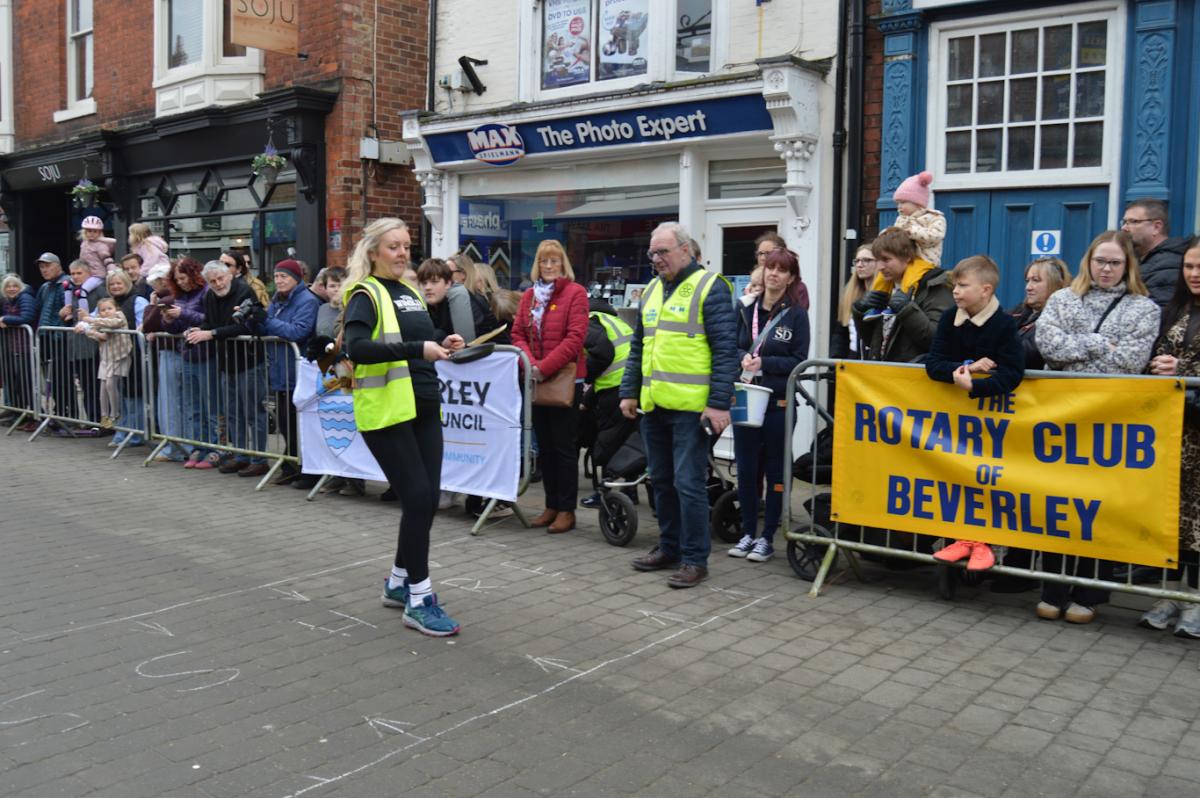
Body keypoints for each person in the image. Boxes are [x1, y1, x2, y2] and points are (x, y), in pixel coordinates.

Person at [342, 217, 463, 636]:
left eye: (407, 245)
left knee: (426, 499)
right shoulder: (365, 294)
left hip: (424, 405)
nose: (402, 253)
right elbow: (355, 347)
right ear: (374, 251)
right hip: (388, 412)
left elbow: (418, 336)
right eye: (393, 246)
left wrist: (443, 340)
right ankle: (419, 598)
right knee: (416, 498)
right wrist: (419, 347)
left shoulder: (410, 291)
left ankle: (397, 582)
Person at [1035, 230, 1161, 623]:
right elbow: (1048, 346)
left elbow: (1130, 362)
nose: (1105, 269)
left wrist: (1078, 348)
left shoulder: (1144, 309)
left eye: (1114, 263)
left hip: (1111, 423)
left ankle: (1089, 593)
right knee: (1059, 502)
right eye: (1099, 261)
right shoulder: (1062, 299)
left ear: (1128, 266)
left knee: (1099, 507)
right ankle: (1052, 588)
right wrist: (1097, 344)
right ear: (1088, 260)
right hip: (1064, 420)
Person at [620, 222, 737, 588]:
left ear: (686, 250)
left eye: (663, 252)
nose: (656, 259)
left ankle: (694, 559)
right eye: (652, 253)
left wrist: (718, 405)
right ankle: (668, 547)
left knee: (688, 485)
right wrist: (629, 391)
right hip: (655, 406)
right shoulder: (652, 290)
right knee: (661, 481)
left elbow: (725, 352)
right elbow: (639, 345)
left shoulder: (710, 288)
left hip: (691, 409)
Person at [924, 256, 1026, 571]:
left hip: (993, 422)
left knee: (986, 482)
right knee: (955, 480)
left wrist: (976, 388)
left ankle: (984, 544)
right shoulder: (949, 318)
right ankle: (959, 540)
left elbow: (1012, 373)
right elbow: (934, 363)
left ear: (986, 289)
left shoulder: (1005, 324)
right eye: (955, 284)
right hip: (953, 418)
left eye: (962, 285)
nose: (955, 291)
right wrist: (965, 367)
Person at [727, 248, 810, 564]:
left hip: (777, 400)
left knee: (775, 468)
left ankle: (767, 537)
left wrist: (765, 363)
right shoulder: (745, 308)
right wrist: (742, 358)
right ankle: (748, 532)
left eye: (781, 270)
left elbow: (799, 360)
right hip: (746, 397)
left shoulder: (797, 314)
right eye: (770, 268)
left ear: (790, 278)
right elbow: (731, 346)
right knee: (747, 468)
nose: (773, 274)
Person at [512, 240, 590, 534]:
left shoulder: (576, 294)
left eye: (554, 261)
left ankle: (567, 510)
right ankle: (551, 505)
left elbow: (575, 339)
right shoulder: (529, 296)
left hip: (566, 381)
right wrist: (530, 364)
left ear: (563, 264)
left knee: (564, 447)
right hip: (535, 379)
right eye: (544, 261)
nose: (548, 266)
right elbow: (517, 333)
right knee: (544, 447)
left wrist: (543, 368)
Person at [1143, 238, 1200, 638]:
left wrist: (1184, 367)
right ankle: (1169, 595)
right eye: (1189, 267)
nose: (1194, 275)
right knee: (1173, 517)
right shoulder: (1177, 309)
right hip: (1175, 431)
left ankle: (1195, 601)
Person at [185, 260, 265, 476]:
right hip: (226, 362)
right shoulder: (210, 295)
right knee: (232, 413)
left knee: (252, 411)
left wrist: (210, 334)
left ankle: (259, 457)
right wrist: (196, 331)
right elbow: (210, 323)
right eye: (212, 281)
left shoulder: (244, 291)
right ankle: (240, 454)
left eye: (221, 278)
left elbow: (243, 325)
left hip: (248, 360)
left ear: (230, 275)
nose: (218, 284)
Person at [249, 259, 320, 489]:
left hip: (297, 370)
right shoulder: (277, 301)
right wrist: (254, 321)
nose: (279, 280)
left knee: (299, 423)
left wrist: (267, 321)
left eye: (284, 276)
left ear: (297, 278)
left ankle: (306, 469)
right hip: (280, 370)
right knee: (285, 422)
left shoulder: (306, 301)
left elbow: (298, 331)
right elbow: (268, 328)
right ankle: (290, 465)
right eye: (277, 276)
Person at [852, 227, 954, 363]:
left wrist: (907, 310)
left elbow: (938, 341)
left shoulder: (934, 285)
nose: (880, 267)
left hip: (914, 378)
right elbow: (872, 342)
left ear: (907, 257)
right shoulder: (886, 286)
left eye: (886, 259)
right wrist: (860, 312)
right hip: (884, 376)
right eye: (878, 260)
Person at [578, 296, 639, 509]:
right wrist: (588, 399)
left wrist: (584, 376)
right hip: (633, 386)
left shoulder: (590, 321)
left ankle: (603, 492)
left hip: (615, 389)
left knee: (606, 442)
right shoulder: (615, 321)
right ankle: (630, 490)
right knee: (629, 441)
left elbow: (603, 355)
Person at [863, 172, 946, 320]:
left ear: (918, 202)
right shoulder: (901, 220)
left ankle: (902, 301)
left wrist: (912, 232)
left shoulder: (934, 217)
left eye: (903, 202)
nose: (899, 207)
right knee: (882, 277)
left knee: (910, 277)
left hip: (924, 260)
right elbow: (895, 236)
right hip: (908, 258)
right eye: (898, 203)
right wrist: (886, 234)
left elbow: (936, 236)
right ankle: (877, 302)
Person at [161, 258, 212, 467]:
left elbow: (208, 319)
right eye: (177, 279)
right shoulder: (180, 295)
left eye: (183, 278)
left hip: (207, 355)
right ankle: (198, 447)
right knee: (193, 407)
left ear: (193, 275)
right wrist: (169, 320)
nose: (180, 282)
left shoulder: (206, 292)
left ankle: (213, 448)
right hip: (187, 354)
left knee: (209, 406)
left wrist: (182, 313)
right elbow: (175, 329)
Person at [104, 268, 150, 446]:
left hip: (134, 355)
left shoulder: (138, 301)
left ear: (127, 283)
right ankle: (123, 430)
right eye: (112, 284)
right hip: (115, 356)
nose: (115, 287)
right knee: (120, 394)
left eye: (118, 283)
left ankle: (135, 433)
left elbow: (142, 326)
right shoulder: (108, 302)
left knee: (134, 394)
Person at [77, 297, 134, 431]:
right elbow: (98, 334)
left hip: (120, 356)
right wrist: (83, 328)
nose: (107, 312)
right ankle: (104, 415)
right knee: (103, 387)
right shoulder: (100, 320)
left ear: (116, 309)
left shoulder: (119, 316)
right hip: (106, 357)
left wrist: (90, 321)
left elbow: (113, 324)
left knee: (110, 383)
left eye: (109, 308)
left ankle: (115, 414)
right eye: (103, 310)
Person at [1121, 199, 1190, 307]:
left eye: (1133, 222)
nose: (1124, 228)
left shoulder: (1169, 264)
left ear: (1156, 227)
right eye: (1124, 222)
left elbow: (1160, 314)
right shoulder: (1135, 260)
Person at [1009, 257, 1071, 370]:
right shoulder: (1018, 311)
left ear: (1057, 284)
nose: (1028, 287)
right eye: (1028, 281)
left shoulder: (1062, 318)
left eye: (1036, 280)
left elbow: (1028, 354)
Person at [0, 273, 37, 421]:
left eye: (15, 285)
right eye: (8, 286)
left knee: (26, 383)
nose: (11, 288)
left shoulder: (25, 297)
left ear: (20, 286)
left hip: (25, 347)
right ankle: (19, 413)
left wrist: (5, 319)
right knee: (15, 382)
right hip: (12, 346)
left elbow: (27, 317)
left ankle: (33, 415)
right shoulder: (8, 301)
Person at [831, 244, 878, 359]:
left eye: (866, 260)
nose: (860, 265)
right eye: (857, 261)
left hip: (873, 360)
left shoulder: (884, 296)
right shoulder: (849, 294)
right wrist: (836, 360)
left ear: (879, 263)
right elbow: (841, 332)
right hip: (851, 359)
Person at [753, 232, 809, 309]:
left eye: (768, 253)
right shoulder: (753, 283)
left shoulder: (798, 288)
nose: (762, 258)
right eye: (760, 253)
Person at [35, 253, 66, 330]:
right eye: (41, 267)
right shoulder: (44, 287)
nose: (44, 270)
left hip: (62, 335)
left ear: (58, 266)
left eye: (48, 266)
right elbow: (37, 310)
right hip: (46, 335)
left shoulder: (66, 284)